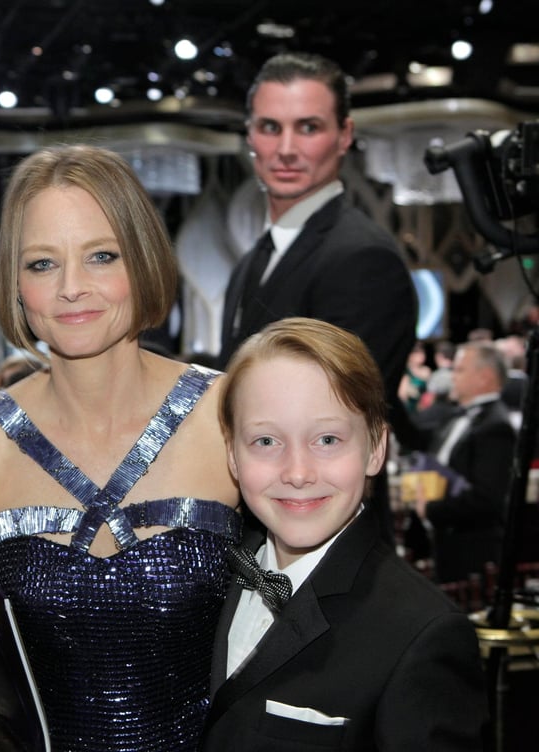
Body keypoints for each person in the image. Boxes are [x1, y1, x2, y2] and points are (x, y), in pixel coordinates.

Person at [0, 144, 242, 751]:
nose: (71, 289)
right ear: (15, 282)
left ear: (142, 260)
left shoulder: (230, 415)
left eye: (101, 256)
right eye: (41, 264)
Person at [204, 317, 486, 751]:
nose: (297, 472)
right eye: (265, 442)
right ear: (232, 456)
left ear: (375, 447)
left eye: (328, 439)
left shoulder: (421, 635)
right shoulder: (209, 577)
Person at [217, 51, 417, 545]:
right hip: (264, 538)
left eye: (308, 127)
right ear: (250, 135)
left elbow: (335, 422)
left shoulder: (363, 259)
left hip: (332, 549)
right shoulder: (254, 260)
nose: (286, 148)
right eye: (270, 127)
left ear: (344, 135)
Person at [414, 341, 516, 583]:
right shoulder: (456, 416)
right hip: (445, 543)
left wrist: (430, 509)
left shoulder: (496, 426)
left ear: (484, 377)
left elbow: (487, 499)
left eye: (459, 370)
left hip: (472, 552)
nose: (452, 377)